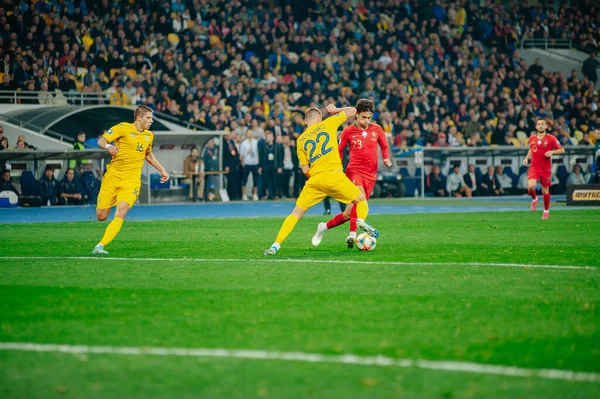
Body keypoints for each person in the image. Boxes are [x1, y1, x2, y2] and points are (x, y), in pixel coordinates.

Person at [264, 104, 379, 256]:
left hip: (315, 180)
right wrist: (335, 110)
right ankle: (361, 221)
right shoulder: (328, 123)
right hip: (334, 176)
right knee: (361, 201)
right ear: (319, 118)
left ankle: (275, 245)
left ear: (306, 121)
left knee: (295, 214)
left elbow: (305, 170)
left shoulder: (300, 140)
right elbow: (353, 110)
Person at [312, 99, 391, 248]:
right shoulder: (348, 131)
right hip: (354, 172)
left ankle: (323, 227)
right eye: (363, 117)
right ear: (357, 115)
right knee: (360, 200)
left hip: (370, 175)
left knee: (349, 213)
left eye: (369, 118)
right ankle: (354, 233)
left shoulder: (377, 129)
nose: (366, 121)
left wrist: (386, 158)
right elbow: (339, 150)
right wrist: (337, 168)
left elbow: (384, 146)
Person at [92, 105, 169, 255]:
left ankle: (100, 245)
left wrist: (162, 170)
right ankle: (109, 207)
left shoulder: (149, 135)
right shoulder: (123, 128)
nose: (151, 121)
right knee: (101, 216)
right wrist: (109, 147)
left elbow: (147, 154)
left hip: (131, 180)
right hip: (113, 177)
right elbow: (102, 140)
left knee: (121, 210)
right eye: (148, 118)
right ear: (139, 118)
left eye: (151, 118)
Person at [523, 117, 565, 219]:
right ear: (536, 126)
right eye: (539, 124)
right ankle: (534, 199)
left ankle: (546, 211)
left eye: (543, 124)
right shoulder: (532, 138)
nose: (541, 126)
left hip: (545, 169)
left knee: (545, 190)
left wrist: (553, 152)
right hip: (534, 166)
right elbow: (531, 149)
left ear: (546, 126)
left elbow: (562, 150)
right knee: (531, 186)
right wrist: (526, 158)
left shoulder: (552, 138)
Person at [259, 131, 282, 200]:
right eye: (267, 137)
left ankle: (274, 195)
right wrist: (260, 166)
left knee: (274, 181)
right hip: (265, 165)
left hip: (274, 165)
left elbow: (279, 157)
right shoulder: (263, 146)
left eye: (270, 137)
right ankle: (263, 195)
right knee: (264, 181)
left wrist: (280, 167)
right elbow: (261, 157)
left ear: (273, 138)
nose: (269, 138)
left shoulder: (277, 146)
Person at [239, 129, 260, 200]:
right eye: (249, 133)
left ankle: (255, 194)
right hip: (247, 163)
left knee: (256, 179)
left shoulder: (256, 142)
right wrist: (243, 163)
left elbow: (259, 153)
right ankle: (244, 194)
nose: (250, 134)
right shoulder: (243, 143)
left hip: (255, 163)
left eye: (251, 133)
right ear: (246, 134)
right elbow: (241, 155)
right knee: (244, 179)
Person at [223, 131, 242, 200]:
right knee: (230, 180)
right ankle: (229, 195)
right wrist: (225, 165)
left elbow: (236, 152)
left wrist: (238, 161)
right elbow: (223, 156)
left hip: (234, 165)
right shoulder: (223, 143)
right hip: (228, 165)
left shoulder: (232, 142)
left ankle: (235, 195)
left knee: (235, 180)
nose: (229, 136)